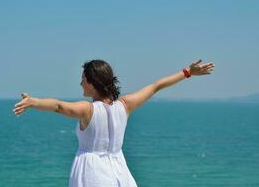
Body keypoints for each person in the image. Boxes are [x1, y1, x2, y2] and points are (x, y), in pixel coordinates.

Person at [13, 59, 215, 186]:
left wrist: (33, 102)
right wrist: (187, 72)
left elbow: (58, 106)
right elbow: (155, 86)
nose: (80, 83)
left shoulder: (88, 109)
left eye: (83, 79)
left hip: (93, 174)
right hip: (120, 173)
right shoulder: (124, 105)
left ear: (92, 83)